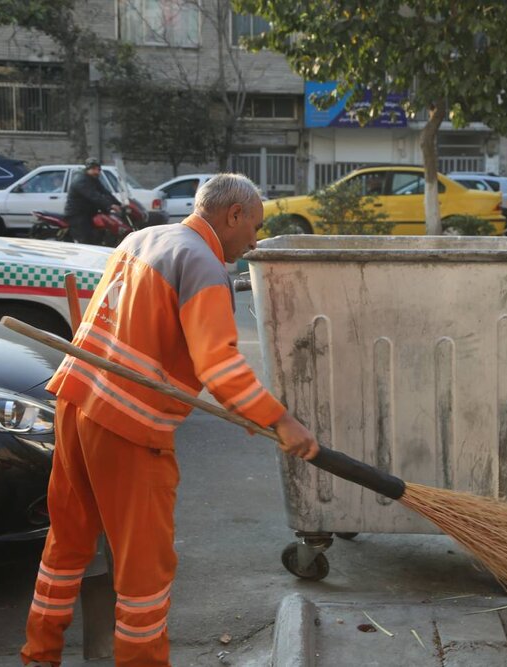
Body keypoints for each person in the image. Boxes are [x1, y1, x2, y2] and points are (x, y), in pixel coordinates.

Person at [21, 174, 320, 667]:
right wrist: (280, 419)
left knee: (67, 544)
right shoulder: (201, 263)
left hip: (75, 405)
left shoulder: (142, 238)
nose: (255, 240)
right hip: (126, 424)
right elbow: (219, 365)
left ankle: (38, 655)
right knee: (144, 574)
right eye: (256, 227)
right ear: (234, 215)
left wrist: (248, 413)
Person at [64, 158, 121, 245]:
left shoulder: (93, 179)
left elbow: (105, 192)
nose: (97, 172)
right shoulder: (81, 180)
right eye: (94, 169)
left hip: (89, 213)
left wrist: (118, 204)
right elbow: (94, 196)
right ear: (88, 169)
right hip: (78, 214)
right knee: (86, 240)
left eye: (98, 169)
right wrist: (110, 205)